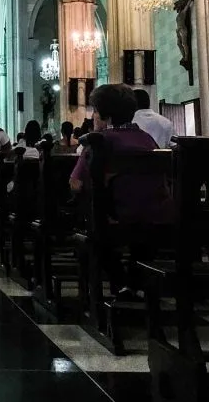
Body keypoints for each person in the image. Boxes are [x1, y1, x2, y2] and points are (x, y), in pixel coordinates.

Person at [69, 84, 172, 298]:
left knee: (96, 225)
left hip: (114, 220)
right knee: (140, 231)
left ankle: (121, 281)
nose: (93, 116)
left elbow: (76, 183)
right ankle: (132, 284)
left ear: (104, 116)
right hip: (156, 217)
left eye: (95, 111)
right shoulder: (147, 139)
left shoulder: (99, 142)